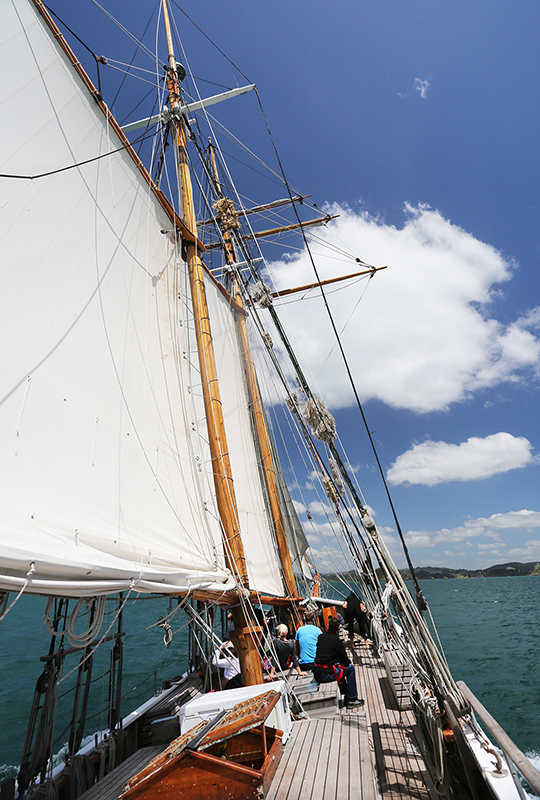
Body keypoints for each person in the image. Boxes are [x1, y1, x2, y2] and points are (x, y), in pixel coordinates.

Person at [314, 616, 364, 708]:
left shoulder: (321, 637)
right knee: (350, 668)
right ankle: (352, 699)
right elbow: (345, 661)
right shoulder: (337, 642)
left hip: (317, 673)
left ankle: (345, 693)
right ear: (338, 628)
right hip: (327, 675)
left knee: (339, 667)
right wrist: (347, 662)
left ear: (328, 626)